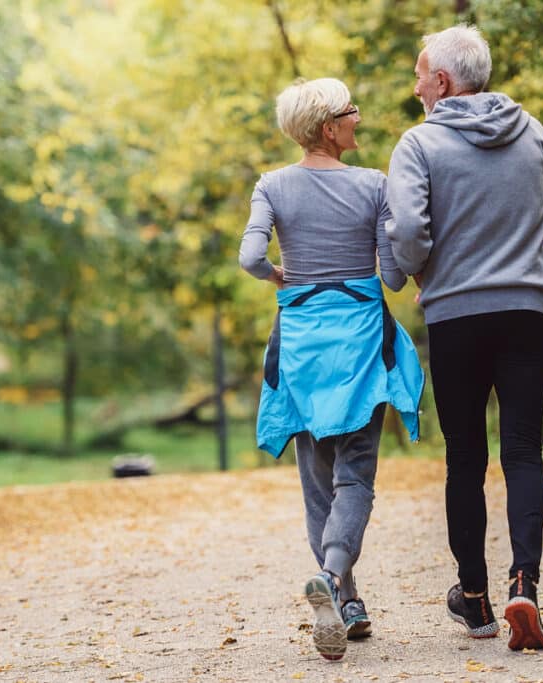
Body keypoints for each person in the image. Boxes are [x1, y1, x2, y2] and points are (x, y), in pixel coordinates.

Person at [386, 25, 543, 651]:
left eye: (420, 75)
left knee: (465, 458)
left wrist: (426, 270)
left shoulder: (418, 144)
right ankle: (526, 581)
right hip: (528, 310)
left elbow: (410, 233)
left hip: (456, 317)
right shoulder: (533, 131)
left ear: (442, 81)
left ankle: (475, 600)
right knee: (523, 449)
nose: (415, 86)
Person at [239, 77, 424, 662]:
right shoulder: (374, 186)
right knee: (357, 474)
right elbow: (393, 277)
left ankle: (344, 598)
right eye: (350, 111)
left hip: (299, 344)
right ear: (328, 127)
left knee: (317, 475)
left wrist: (280, 277)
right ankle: (336, 572)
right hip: (360, 342)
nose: (358, 117)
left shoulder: (272, 186)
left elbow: (249, 257)